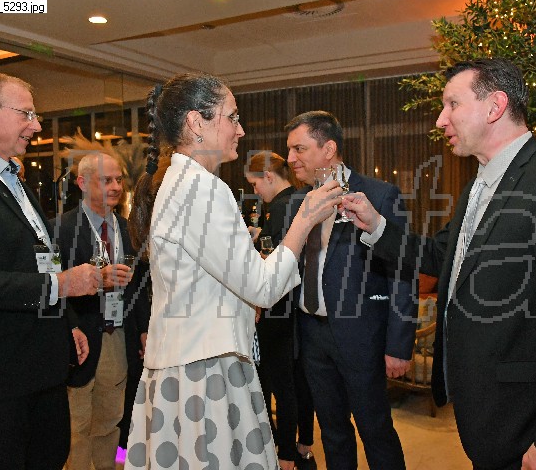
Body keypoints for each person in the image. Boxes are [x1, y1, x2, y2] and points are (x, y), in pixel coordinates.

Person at [342, 58, 536, 470]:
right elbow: (443, 257)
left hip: (528, 421)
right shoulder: (478, 185)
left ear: (495, 106)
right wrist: (377, 226)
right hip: (487, 415)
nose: (440, 120)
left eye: (452, 104)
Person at [124, 73, 341, 469]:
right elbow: (262, 287)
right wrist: (304, 219)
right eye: (233, 117)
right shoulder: (201, 188)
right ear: (196, 122)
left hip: (186, 362)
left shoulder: (180, 182)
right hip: (206, 370)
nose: (240, 130)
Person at [0, 71, 101, 470]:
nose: (36, 125)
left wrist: (66, 321)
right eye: (26, 113)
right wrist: (61, 286)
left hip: (41, 372)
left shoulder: (15, 181)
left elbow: (36, 258)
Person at [283, 111, 416, 470]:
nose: (291, 158)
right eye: (290, 150)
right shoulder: (298, 203)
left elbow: (402, 271)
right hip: (311, 333)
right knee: (332, 431)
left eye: (299, 149)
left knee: (376, 430)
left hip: (362, 336)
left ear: (328, 149)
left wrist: (399, 344)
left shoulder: (379, 195)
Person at [54, 152, 150, 469]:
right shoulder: (59, 230)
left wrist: (144, 329)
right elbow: (49, 287)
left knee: (110, 420)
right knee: (77, 426)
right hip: (79, 338)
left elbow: (138, 287)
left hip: (117, 337)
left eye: (119, 179)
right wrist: (70, 325)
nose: (116, 187)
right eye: (106, 180)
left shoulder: (128, 229)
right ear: (82, 183)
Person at [245, 151, 317, 470]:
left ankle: (285, 453)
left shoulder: (279, 207)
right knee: (300, 381)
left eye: (255, 184)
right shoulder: (301, 200)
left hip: (278, 309)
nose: (256, 191)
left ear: (268, 177)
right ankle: (303, 445)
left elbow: (276, 264)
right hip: (301, 307)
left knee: (280, 385)